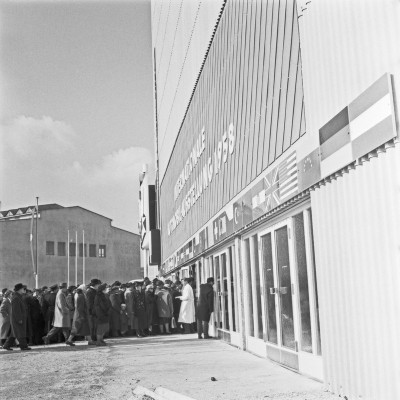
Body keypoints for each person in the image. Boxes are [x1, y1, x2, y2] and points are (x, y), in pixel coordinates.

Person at [2, 283, 31, 351]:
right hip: (17, 319)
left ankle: (6, 345)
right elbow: (16, 310)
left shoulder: (18, 296)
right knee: (20, 332)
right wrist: (19, 319)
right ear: (20, 289)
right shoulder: (16, 297)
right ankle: (23, 346)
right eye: (23, 288)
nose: (24, 290)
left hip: (18, 318)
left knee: (14, 333)